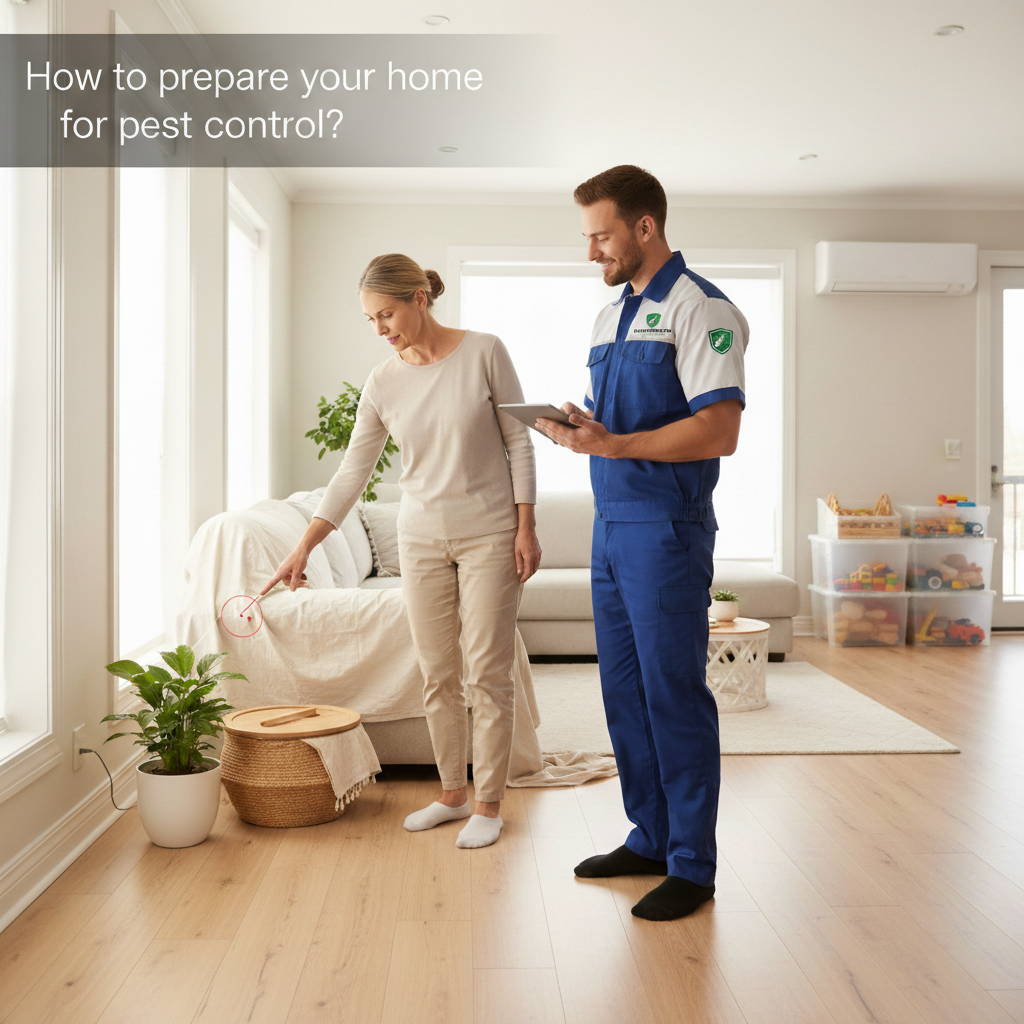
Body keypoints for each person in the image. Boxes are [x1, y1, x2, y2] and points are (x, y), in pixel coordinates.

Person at [262, 253, 542, 850]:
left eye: (385, 313)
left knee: (487, 673)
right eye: (370, 320)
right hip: (420, 539)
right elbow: (351, 473)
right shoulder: (383, 380)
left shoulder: (484, 351)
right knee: (438, 674)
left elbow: (519, 442)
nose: (380, 329)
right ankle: (451, 795)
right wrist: (303, 547)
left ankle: (488, 804)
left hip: (490, 533)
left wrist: (526, 527)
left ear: (419, 297)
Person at [537, 166, 748, 920]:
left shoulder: (703, 310)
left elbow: (718, 429)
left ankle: (693, 863)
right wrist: (581, 430)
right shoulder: (610, 317)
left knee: (672, 694)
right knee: (624, 693)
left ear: (645, 227)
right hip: (611, 527)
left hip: (665, 530)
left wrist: (618, 445)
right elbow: (618, 426)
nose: (592, 251)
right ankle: (650, 836)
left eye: (601, 235)